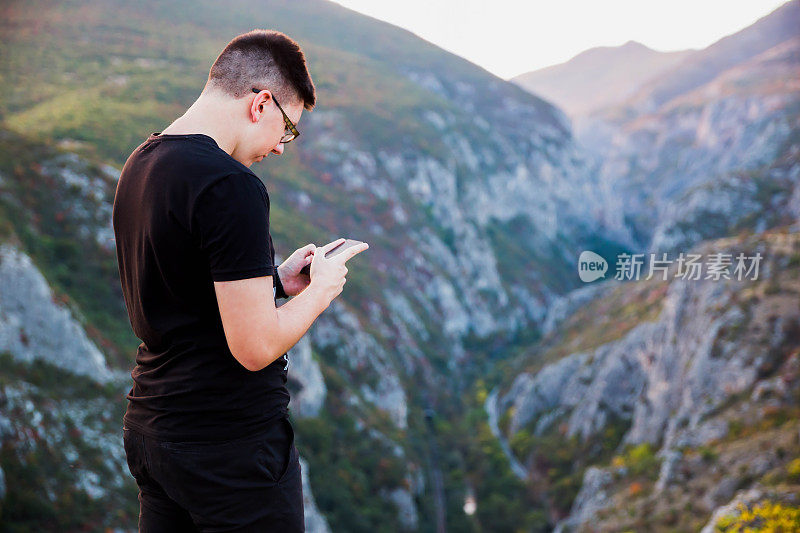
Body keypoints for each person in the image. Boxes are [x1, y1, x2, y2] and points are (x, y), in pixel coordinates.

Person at [112, 29, 368, 532]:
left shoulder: (141, 164)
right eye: (288, 129)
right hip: (229, 448)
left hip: (153, 431)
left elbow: (180, 295)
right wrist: (321, 290)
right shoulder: (231, 187)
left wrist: (273, 283)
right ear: (261, 104)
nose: (279, 148)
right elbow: (255, 347)